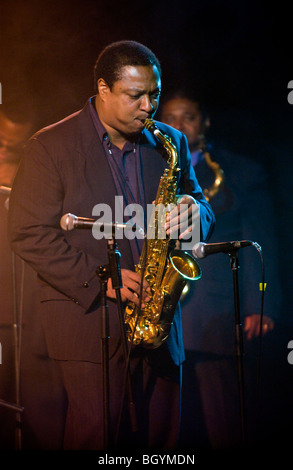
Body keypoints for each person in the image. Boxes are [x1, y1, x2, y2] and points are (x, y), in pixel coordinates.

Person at [7, 41, 215, 451]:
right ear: (103, 89)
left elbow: (200, 205)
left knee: (162, 445)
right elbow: (27, 231)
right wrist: (103, 278)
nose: (148, 106)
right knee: (97, 441)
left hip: (158, 318)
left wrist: (195, 211)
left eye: (153, 94)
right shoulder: (51, 145)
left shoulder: (169, 141)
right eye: (135, 95)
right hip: (91, 322)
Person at [160, 89, 282, 450]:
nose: (178, 125)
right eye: (171, 117)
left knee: (223, 417)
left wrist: (262, 306)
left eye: (189, 117)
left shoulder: (239, 171)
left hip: (215, 309)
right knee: (168, 418)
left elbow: (263, 241)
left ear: (205, 123)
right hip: (165, 308)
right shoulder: (148, 167)